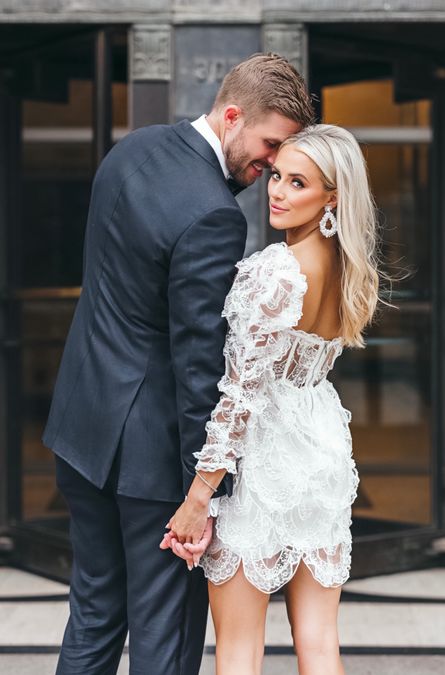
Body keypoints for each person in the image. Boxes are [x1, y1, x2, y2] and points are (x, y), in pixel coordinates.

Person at [42, 53, 313, 675]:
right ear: (234, 114)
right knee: (165, 639)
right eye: (271, 144)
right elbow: (200, 371)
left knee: (93, 612)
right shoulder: (214, 213)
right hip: (152, 462)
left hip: (80, 431)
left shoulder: (130, 150)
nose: (272, 164)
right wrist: (205, 493)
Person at [164, 124, 381, 675]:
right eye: (277, 175)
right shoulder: (349, 270)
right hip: (322, 448)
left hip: (263, 460)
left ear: (332, 196)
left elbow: (239, 396)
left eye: (298, 182)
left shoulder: (276, 271)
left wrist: (198, 497)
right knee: (319, 639)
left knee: (239, 650)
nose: (277, 191)